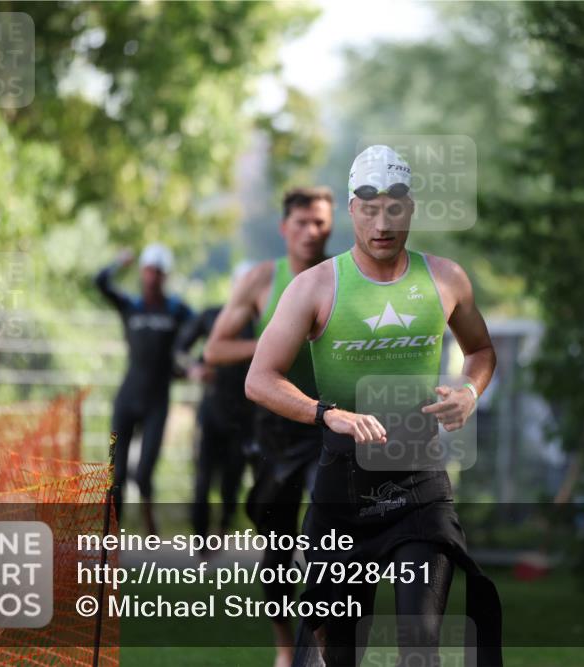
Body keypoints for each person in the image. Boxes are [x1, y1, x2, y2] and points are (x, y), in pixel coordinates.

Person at [245, 145, 503, 666]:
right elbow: (259, 378)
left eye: (394, 208)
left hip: (420, 485)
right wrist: (325, 413)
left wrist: (470, 392)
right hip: (343, 490)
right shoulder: (315, 287)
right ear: (350, 210)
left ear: (409, 210)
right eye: (369, 207)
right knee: (338, 652)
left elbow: (481, 351)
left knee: (420, 646)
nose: (382, 222)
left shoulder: (446, 278)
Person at [203, 187, 334, 667]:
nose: (311, 232)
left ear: (331, 227)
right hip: (275, 429)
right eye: (301, 222)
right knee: (277, 547)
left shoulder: (344, 278)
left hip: (328, 420)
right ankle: (284, 648)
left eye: (320, 223)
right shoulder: (262, 280)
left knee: (328, 534)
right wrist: (271, 344)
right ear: (284, 228)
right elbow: (214, 350)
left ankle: (319, 647)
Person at [94, 243, 194, 534]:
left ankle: (150, 524)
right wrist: (119, 261)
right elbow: (100, 283)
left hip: (156, 403)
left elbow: (204, 329)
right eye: (148, 270)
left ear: (165, 276)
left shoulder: (177, 311)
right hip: (125, 401)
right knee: (116, 474)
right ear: (142, 272)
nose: (152, 277)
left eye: (158, 272)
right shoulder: (130, 306)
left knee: (144, 474)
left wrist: (192, 366)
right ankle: (112, 537)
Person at [176, 294, 255, 553]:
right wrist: (193, 369)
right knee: (202, 480)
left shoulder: (262, 321)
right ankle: (200, 543)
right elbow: (179, 350)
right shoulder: (212, 315)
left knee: (231, 484)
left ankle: (221, 532)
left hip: (243, 417)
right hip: (210, 414)